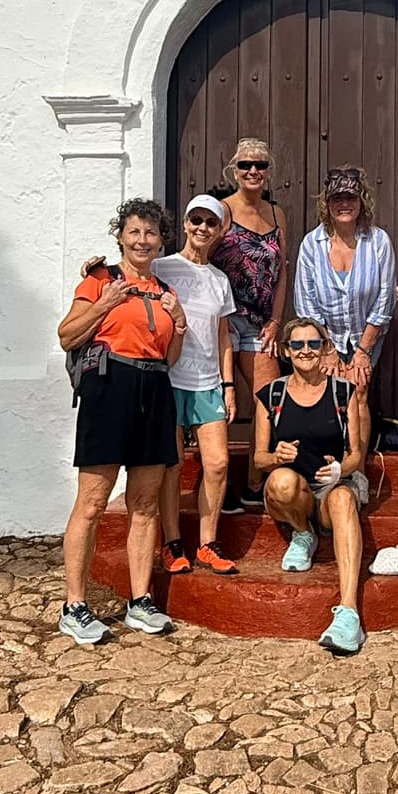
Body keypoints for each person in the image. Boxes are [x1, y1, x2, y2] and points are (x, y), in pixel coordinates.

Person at [56, 198, 186, 643]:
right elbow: (67, 335)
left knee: (145, 504)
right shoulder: (100, 279)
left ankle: (140, 600)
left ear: (161, 240)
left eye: (151, 233)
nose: (142, 240)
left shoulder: (165, 291)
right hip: (110, 387)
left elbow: (170, 357)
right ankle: (75, 605)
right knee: (92, 502)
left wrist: (180, 324)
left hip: (155, 388)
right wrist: (104, 303)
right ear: (121, 237)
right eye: (134, 232)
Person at [254, 317, 367, 656]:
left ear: (324, 348)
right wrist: (276, 456)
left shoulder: (343, 392)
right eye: (298, 344)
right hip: (294, 495)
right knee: (281, 481)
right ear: (287, 351)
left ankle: (348, 612)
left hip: (331, 490)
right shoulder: (271, 394)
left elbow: (356, 454)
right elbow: (259, 458)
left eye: (313, 344)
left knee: (344, 498)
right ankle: (303, 533)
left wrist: (340, 469)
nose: (306, 351)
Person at [152, 196, 240, 576]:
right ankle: (172, 543)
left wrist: (229, 384)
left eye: (210, 222)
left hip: (207, 382)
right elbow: (127, 275)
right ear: (186, 224)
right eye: (196, 220)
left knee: (217, 463)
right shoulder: (162, 267)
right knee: (171, 465)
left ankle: (207, 544)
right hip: (169, 378)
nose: (202, 227)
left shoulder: (220, 280)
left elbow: (223, 335)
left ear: (219, 230)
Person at [293, 165, 395, 458]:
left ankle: (356, 469)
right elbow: (306, 302)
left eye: (351, 197)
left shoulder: (378, 241)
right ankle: (323, 464)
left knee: (358, 390)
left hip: (366, 335)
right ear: (327, 203)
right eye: (337, 198)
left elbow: (385, 298)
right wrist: (327, 349)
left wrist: (363, 351)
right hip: (325, 336)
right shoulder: (312, 244)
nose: (344, 204)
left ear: (362, 200)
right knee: (325, 394)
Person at [210, 137, 288, 510]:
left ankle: (255, 480)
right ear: (234, 170)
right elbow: (199, 257)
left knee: (268, 398)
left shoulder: (276, 214)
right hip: (223, 321)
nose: (253, 171)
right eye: (245, 165)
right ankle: (217, 482)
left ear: (269, 171)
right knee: (218, 402)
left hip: (260, 323)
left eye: (260, 165)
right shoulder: (222, 211)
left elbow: (282, 272)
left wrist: (276, 320)